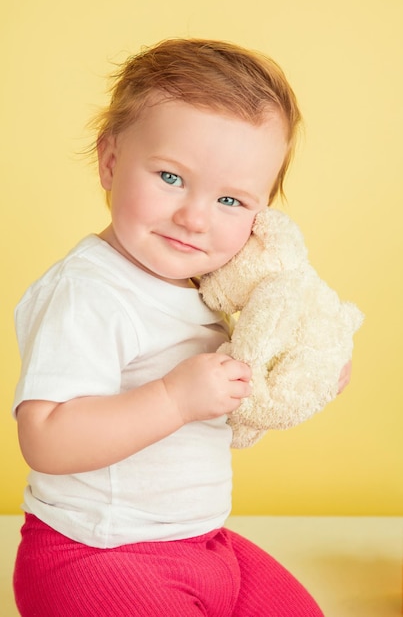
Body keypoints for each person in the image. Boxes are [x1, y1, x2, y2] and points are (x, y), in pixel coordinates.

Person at [12, 38, 349, 616]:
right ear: (110, 160)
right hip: (95, 553)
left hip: (202, 542)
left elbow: (230, 414)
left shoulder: (205, 289)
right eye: (171, 177)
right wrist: (174, 398)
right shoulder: (91, 290)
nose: (195, 218)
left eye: (230, 200)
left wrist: (296, 377)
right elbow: (44, 437)